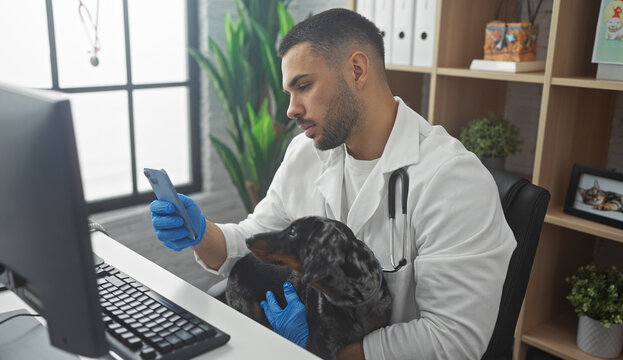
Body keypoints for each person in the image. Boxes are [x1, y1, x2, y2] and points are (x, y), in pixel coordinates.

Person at [150, 8, 516, 360]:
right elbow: (255, 241)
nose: (291, 109)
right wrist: (200, 234)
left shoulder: (452, 181)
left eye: (303, 86)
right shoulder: (305, 153)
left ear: (357, 70)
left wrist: (317, 351)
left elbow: (453, 339)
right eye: (288, 93)